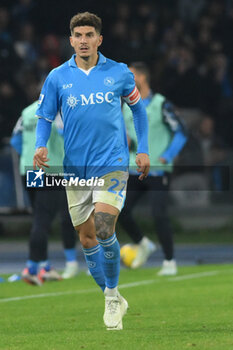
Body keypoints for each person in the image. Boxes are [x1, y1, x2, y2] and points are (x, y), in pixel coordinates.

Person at [33, 12, 150, 330]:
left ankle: (112, 298)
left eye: (89, 35)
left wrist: (142, 149)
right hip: (75, 169)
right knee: (86, 240)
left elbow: (139, 110)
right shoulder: (58, 77)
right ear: (70, 40)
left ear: (99, 39)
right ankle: (112, 294)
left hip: (112, 164)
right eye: (78, 35)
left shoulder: (120, 73)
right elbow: (44, 116)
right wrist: (41, 145)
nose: (83, 40)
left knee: (102, 226)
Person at [119, 62, 187, 275]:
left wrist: (167, 156)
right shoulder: (126, 105)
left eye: (131, 76)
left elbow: (181, 132)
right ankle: (143, 243)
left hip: (157, 169)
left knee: (159, 214)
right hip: (133, 169)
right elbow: (126, 136)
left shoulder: (161, 104)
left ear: (142, 77)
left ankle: (169, 261)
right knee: (120, 210)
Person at [11, 101, 79, 285]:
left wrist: (28, 154)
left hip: (29, 169)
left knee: (40, 217)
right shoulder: (56, 112)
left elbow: (15, 140)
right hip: (51, 169)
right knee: (44, 219)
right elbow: (68, 137)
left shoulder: (26, 111)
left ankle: (45, 265)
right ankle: (32, 267)